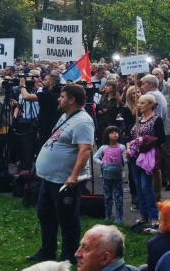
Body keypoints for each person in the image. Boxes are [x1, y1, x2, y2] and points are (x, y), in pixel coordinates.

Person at [29, 84, 95, 265]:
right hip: (50, 177)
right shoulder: (66, 116)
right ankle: (47, 250)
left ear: (72, 100)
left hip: (66, 180)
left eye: (62, 96)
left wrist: (74, 176)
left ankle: (68, 256)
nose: (59, 99)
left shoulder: (83, 121)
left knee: (67, 218)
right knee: (45, 213)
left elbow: (85, 150)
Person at [127, 94, 166, 227]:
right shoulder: (137, 119)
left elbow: (161, 138)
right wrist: (129, 146)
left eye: (142, 103)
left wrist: (145, 140)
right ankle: (144, 214)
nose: (139, 106)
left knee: (146, 186)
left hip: (148, 157)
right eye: (139, 104)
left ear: (150, 104)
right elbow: (129, 135)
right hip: (135, 157)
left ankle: (154, 216)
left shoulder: (156, 120)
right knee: (138, 186)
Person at [92, 126, 126, 223]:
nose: (115, 134)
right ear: (107, 135)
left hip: (118, 175)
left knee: (118, 196)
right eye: (112, 132)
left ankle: (119, 216)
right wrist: (102, 164)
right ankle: (107, 214)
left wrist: (128, 156)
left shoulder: (122, 147)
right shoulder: (104, 148)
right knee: (107, 196)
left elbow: (125, 160)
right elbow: (95, 157)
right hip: (106, 175)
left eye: (116, 132)